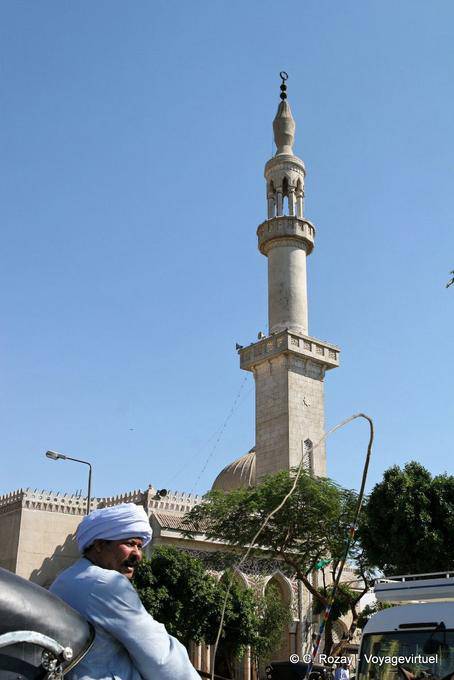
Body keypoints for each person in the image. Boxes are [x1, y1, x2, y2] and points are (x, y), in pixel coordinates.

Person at [50, 502, 200, 680]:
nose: (137, 554)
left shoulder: (66, 578)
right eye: (130, 544)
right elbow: (160, 657)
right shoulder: (107, 584)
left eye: (139, 546)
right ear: (99, 545)